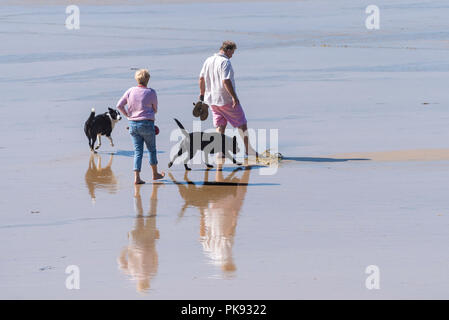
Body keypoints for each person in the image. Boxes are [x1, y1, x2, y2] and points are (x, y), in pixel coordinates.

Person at [199, 40, 257, 159]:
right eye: (232, 52)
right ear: (228, 50)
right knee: (242, 124)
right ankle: (248, 150)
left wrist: (202, 95)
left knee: (220, 125)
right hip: (225, 99)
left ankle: (220, 152)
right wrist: (234, 97)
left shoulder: (208, 60)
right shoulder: (225, 62)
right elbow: (226, 81)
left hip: (211, 101)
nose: (232, 55)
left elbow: (201, 79)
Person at [117, 69, 165, 184]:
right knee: (152, 150)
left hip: (133, 124)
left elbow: (119, 105)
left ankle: (137, 178)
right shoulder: (151, 92)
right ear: (147, 79)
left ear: (137, 79)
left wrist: (127, 115)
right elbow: (155, 109)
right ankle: (155, 174)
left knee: (138, 151)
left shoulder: (130, 90)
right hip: (147, 124)